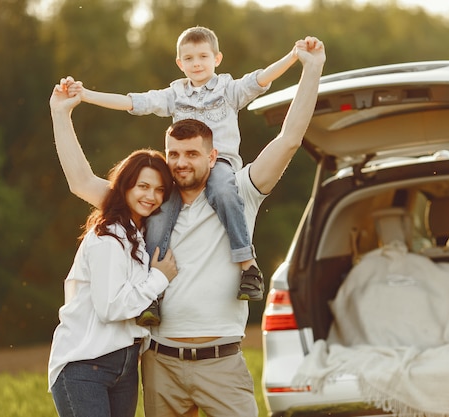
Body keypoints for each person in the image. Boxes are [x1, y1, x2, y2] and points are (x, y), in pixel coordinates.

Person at [54, 35, 326, 417]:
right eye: (174, 154)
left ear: (213, 156)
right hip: (160, 364)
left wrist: (311, 69)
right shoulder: (148, 205)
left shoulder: (240, 191)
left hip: (222, 363)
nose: (181, 162)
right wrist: (62, 114)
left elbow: (289, 138)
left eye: (192, 154)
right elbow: (82, 182)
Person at [64, 26, 303, 313]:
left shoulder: (228, 89)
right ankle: (152, 292)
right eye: (189, 58)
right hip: (181, 168)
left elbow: (261, 78)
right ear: (180, 63)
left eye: (203, 56)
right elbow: (134, 102)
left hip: (220, 164)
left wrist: (293, 56)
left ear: (217, 58)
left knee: (224, 191)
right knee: (160, 214)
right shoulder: (175, 94)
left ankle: (247, 265)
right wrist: (87, 95)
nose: (197, 63)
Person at [46, 92, 179, 417]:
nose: (152, 196)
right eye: (143, 187)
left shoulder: (142, 230)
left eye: (160, 190)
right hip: (84, 364)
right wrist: (158, 279)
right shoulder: (108, 236)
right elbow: (109, 308)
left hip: (125, 364)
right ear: (126, 187)